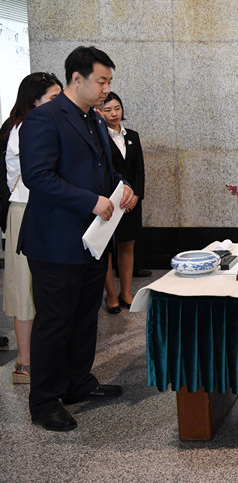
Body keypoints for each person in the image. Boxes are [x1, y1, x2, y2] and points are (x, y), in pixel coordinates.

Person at [19, 46, 135, 431]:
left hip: (92, 239)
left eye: (109, 82)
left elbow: (104, 170)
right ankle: (44, 401)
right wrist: (91, 201)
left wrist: (123, 189)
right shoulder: (44, 119)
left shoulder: (95, 121)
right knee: (55, 320)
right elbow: (38, 177)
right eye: (101, 81)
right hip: (56, 239)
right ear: (77, 78)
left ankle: (77, 383)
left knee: (85, 315)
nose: (106, 89)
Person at [1, 72, 63, 384]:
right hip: (26, 209)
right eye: (53, 98)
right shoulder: (23, 128)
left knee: (45, 287)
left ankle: (43, 357)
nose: (59, 103)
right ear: (34, 100)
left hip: (45, 208)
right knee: (23, 286)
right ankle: (24, 363)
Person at [98, 92, 145, 313]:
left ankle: (126, 292)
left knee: (128, 246)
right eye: (107, 110)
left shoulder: (133, 136)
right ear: (99, 112)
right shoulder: (98, 137)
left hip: (131, 202)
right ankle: (111, 295)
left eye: (117, 108)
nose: (114, 113)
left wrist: (135, 195)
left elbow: (139, 170)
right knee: (107, 249)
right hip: (108, 202)